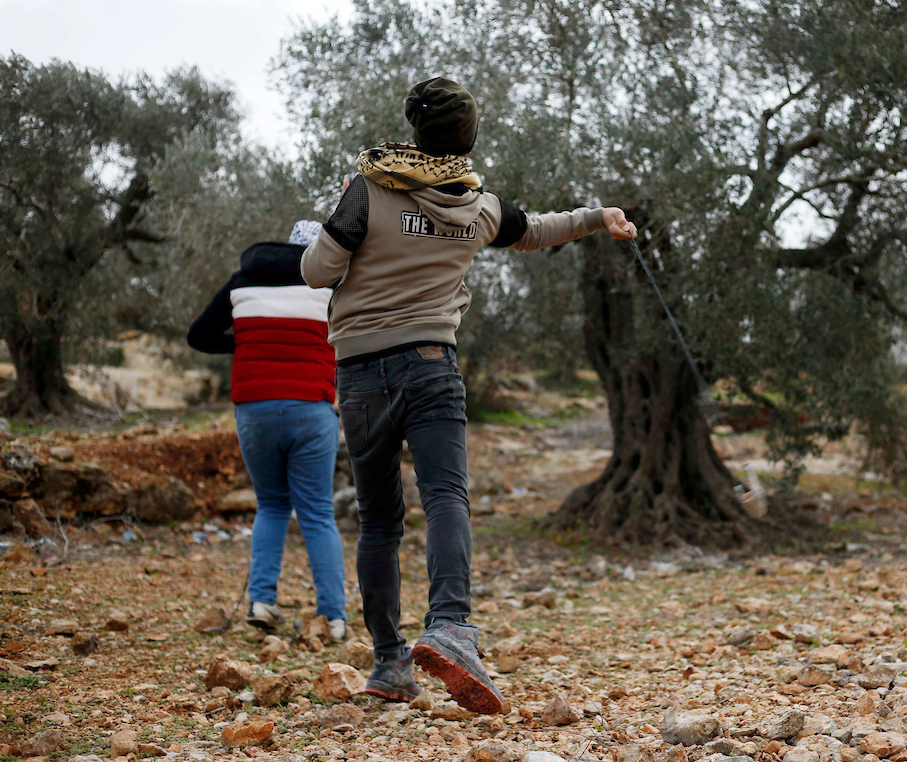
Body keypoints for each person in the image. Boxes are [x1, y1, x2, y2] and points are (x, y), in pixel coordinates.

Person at [300, 77, 638, 712]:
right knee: (446, 497)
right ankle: (451, 626)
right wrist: (599, 217)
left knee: (379, 519)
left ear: (414, 128)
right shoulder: (478, 207)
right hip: (432, 365)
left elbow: (317, 271)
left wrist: (334, 230)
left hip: (361, 372)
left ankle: (389, 663)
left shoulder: (368, 189)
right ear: (468, 139)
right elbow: (535, 230)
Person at [188, 221, 347, 640]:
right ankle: (333, 618)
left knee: (272, 506)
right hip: (311, 407)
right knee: (317, 513)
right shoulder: (331, 286)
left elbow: (199, 335)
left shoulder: (243, 280)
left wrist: (246, 342)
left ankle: (261, 602)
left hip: (254, 408)